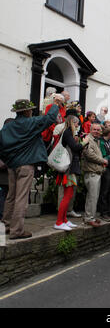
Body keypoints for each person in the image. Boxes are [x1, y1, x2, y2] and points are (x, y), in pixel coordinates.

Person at [0, 98, 62, 239]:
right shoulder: (31, 123)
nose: (32, 111)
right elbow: (50, 118)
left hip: (12, 166)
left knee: (11, 196)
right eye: (31, 109)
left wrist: (8, 159)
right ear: (27, 111)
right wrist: (55, 105)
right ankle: (17, 231)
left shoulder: (7, 127)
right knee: (21, 198)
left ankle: (6, 225)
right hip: (25, 165)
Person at [54, 115, 89, 231]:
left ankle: (64, 220)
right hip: (68, 168)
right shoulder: (68, 132)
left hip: (69, 167)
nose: (78, 125)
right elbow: (75, 147)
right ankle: (59, 222)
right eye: (77, 123)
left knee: (68, 195)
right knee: (67, 195)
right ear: (72, 122)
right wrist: (84, 142)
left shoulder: (68, 133)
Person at [81, 123, 107, 227]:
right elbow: (89, 154)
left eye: (98, 130)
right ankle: (89, 218)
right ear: (90, 130)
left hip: (95, 172)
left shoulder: (96, 140)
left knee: (93, 196)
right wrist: (103, 161)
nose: (96, 131)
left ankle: (91, 217)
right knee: (92, 196)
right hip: (91, 172)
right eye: (94, 129)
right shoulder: (88, 139)